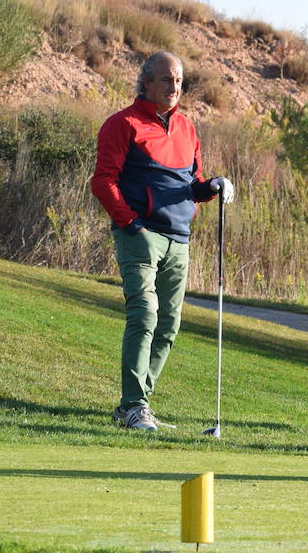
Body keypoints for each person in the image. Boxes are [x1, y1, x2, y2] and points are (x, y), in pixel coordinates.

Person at [90, 52, 234, 432]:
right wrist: (131, 223)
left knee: (168, 325)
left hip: (179, 241)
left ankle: (135, 406)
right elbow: (103, 181)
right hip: (140, 236)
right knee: (145, 314)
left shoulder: (187, 129)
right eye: (168, 80)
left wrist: (213, 186)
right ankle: (135, 405)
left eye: (180, 81)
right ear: (147, 82)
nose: (175, 88)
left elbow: (192, 185)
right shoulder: (122, 124)